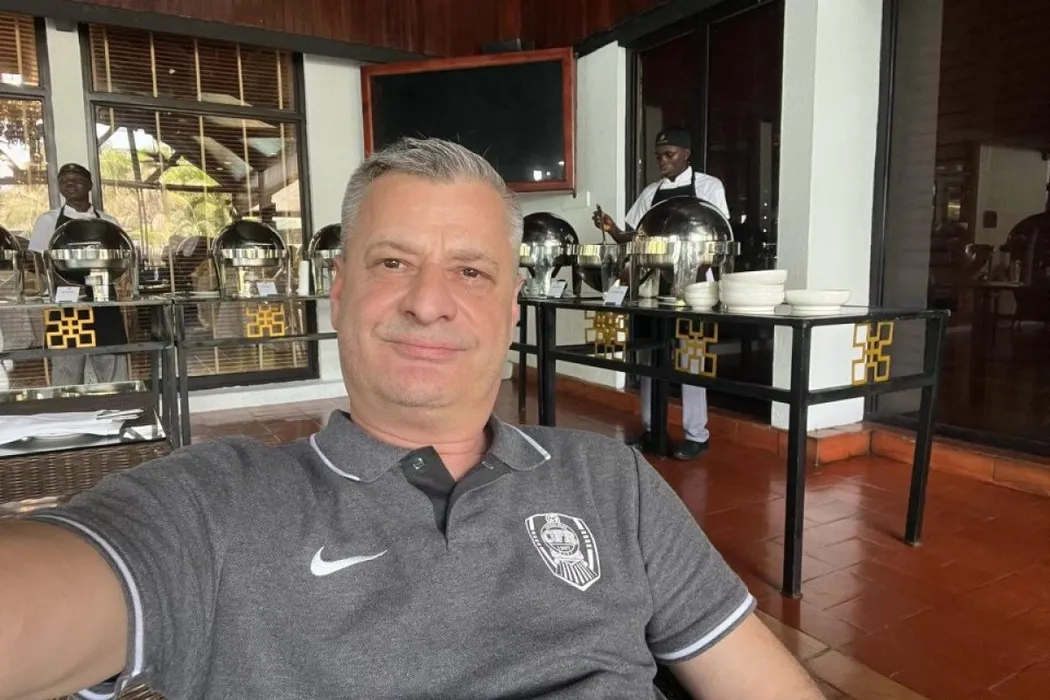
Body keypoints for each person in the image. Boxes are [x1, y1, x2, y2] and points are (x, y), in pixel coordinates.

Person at [0, 138, 823, 700]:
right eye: (393, 262)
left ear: (512, 308)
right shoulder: (216, 506)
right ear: (339, 293)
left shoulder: (615, 484)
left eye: (470, 271)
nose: (429, 303)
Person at [593, 128, 730, 460]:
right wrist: (612, 229)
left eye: (669, 155)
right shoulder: (651, 192)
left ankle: (696, 434)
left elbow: (719, 232)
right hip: (654, 285)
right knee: (650, 355)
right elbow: (634, 238)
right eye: (659, 156)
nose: (663, 161)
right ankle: (652, 428)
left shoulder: (709, 187)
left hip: (694, 283)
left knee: (691, 357)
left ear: (686, 155)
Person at [29, 162, 129, 385]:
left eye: (76, 179)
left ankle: (117, 404)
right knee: (67, 371)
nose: (69, 184)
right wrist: (60, 282)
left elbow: (122, 258)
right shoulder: (48, 220)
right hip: (67, 304)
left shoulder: (108, 222)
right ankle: (68, 407)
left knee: (112, 366)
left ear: (90, 185)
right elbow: (37, 259)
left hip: (104, 301)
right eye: (64, 181)